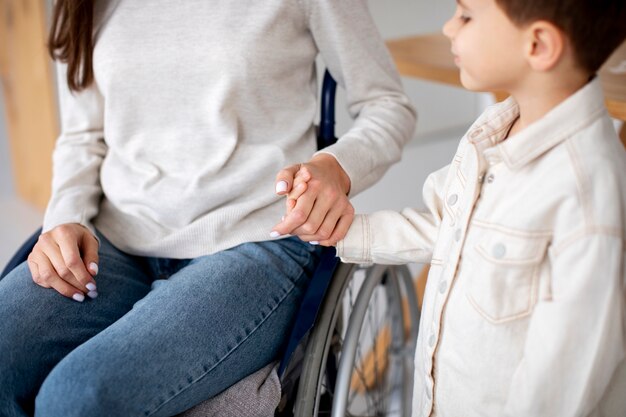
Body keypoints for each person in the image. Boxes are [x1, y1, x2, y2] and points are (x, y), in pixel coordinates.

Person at [0, 0, 416, 416]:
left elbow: (387, 105)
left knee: (75, 398)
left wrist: (336, 167)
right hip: (113, 242)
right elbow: (83, 136)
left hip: (253, 241)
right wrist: (64, 219)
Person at [284, 0, 626, 415]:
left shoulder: (588, 202)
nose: (448, 28)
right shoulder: (493, 133)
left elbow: (560, 391)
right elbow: (447, 228)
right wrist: (343, 230)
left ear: (537, 45)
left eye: (465, 14)